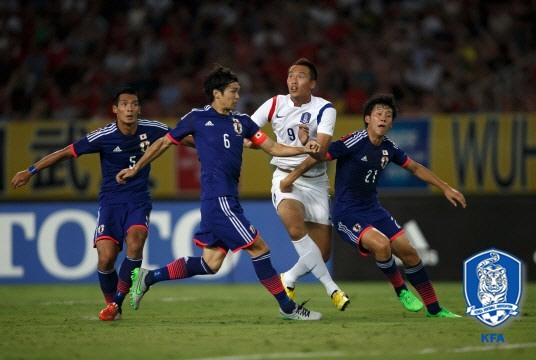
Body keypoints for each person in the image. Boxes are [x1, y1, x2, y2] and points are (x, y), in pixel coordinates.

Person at [116, 64, 323, 321]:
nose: (238, 97)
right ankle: (288, 308)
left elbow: (272, 147)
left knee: (210, 264)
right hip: (219, 200)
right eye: (233, 91)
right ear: (216, 93)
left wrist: (305, 149)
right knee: (260, 249)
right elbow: (163, 143)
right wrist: (136, 168)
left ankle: (149, 277)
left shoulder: (242, 122)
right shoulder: (196, 118)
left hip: (226, 200)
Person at [280, 93, 465, 318]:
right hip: (347, 212)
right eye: (378, 113)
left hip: (373, 209)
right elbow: (317, 157)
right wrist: (290, 178)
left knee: (410, 253)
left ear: (391, 123)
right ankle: (402, 291)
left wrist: (446, 187)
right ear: (368, 118)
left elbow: (415, 168)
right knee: (382, 245)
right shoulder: (353, 141)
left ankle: (435, 310)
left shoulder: (389, 148)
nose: (383, 118)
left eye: (388, 115)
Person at [11, 87, 171, 321]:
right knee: (106, 259)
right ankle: (112, 304)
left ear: (139, 109)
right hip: (110, 204)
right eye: (124, 104)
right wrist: (31, 170)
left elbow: (180, 137)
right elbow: (67, 152)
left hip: (138, 202)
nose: (129, 108)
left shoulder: (153, 129)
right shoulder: (103, 136)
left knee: (135, 244)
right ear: (115, 109)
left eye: (134, 104)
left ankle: (115, 304)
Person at [250, 58, 349, 311]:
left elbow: (321, 151)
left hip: (315, 183)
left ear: (312, 83)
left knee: (322, 254)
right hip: (283, 178)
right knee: (295, 229)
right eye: (291, 75)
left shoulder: (325, 109)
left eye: (301, 76)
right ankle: (332, 288)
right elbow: (248, 130)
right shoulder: (275, 103)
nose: (293, 80)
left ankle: (289, 277)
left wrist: (310, 142)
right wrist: (254, 140)